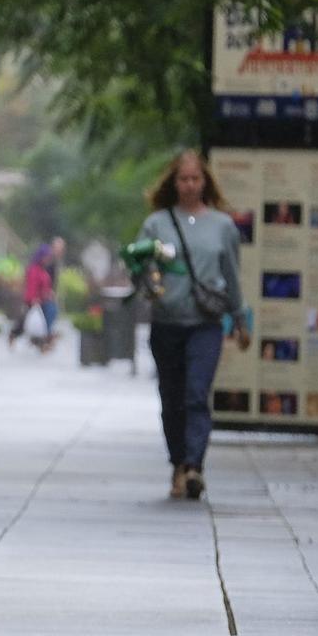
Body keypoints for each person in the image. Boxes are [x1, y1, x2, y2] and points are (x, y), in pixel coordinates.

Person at [137, 150, 249, 500]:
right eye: (183, 179)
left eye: (195, 179)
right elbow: (141, 267)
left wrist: (241, 320)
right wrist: (150, 284)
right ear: (173, 182)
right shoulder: (157, 224)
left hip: (206, 324)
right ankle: (177, 463)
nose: (188, 185)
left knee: (196, 394)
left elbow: (232, 274)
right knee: (171, 398)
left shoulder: (223, 226)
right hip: (167, 322)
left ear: (205, 182)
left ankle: (194, 466)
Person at [22, 244, 59, 354]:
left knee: (49, 316)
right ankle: (42, 341)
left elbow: (46, 285)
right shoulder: (34, 270)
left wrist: (49, 293)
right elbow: (32, 286)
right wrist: (34, 299)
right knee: (43, 318)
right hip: (35, 301)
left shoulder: (44, 269)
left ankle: (43, 340)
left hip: (44, 299)